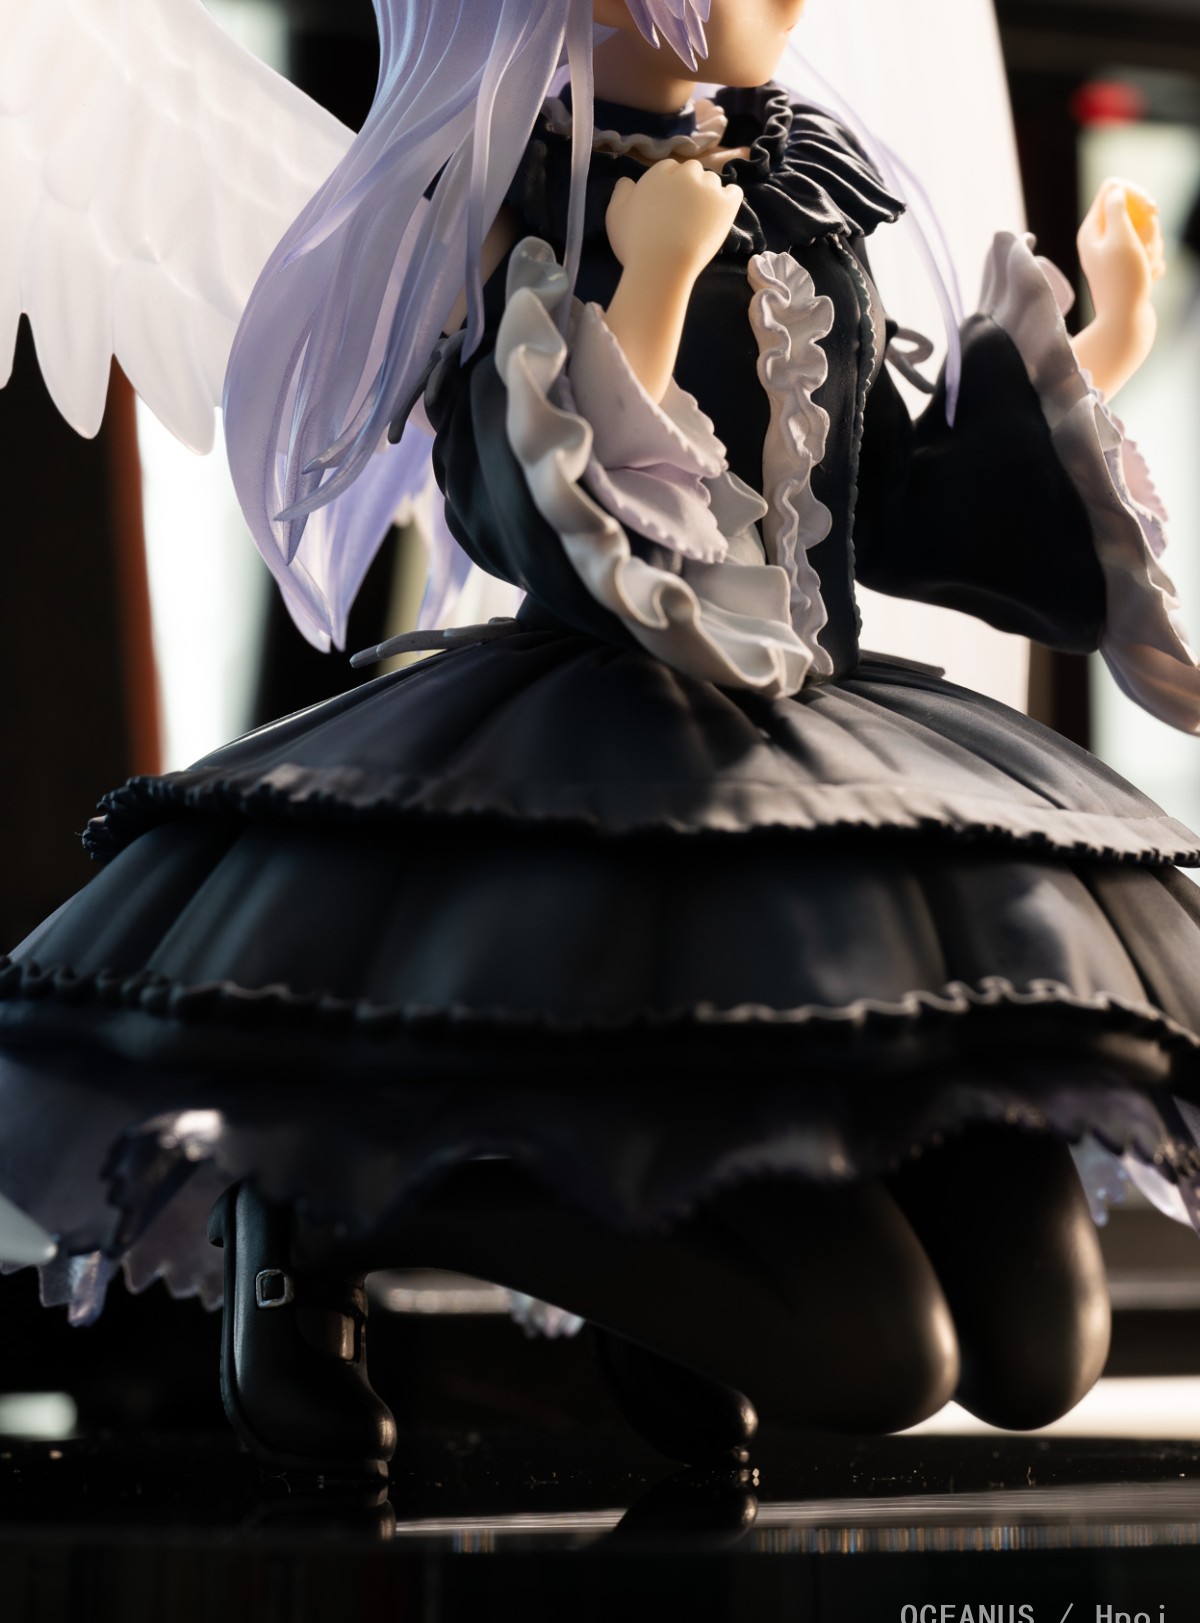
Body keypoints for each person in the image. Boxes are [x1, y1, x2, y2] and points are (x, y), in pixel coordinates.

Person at [2, 0, 1199, 1482]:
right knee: (880, 1362)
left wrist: (1095, 352)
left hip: (827, 765)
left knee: (1037, 1351)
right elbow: (531, 507)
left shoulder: (800, 187)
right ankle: (314, 1202)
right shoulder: (506, 204)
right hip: (612, 748)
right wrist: (654, 285)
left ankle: (674, 1284)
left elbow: (883, 503)